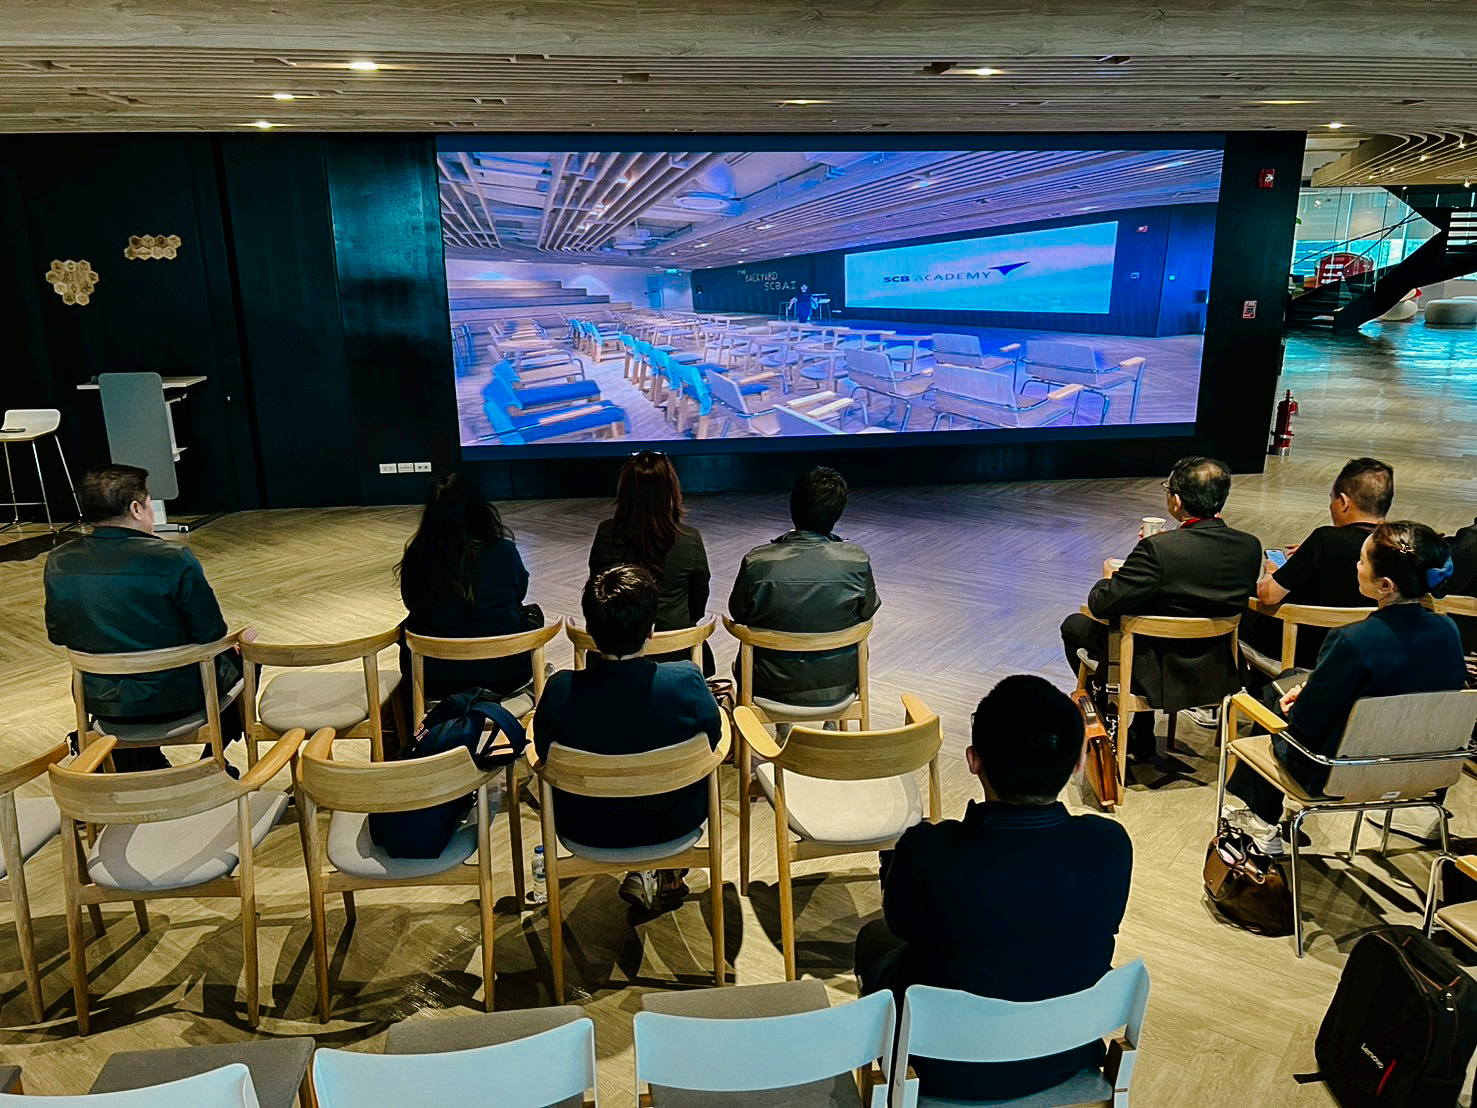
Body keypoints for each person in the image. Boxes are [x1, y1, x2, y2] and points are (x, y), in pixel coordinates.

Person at [855, 675, 1133, 1103]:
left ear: (973, 760)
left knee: (874, 937)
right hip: (1065, 1054)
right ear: (1078, 763)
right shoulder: (1110, 845)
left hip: (943, 1069)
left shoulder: (928, 852)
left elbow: (903, 923)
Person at [1224, 521, 1466, 855]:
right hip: (1419, 768)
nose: (1356, 565)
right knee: (1293, 677)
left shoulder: (1353, 640)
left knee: (1272, 696)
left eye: (1362, 561)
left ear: (1385, 585)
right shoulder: (1448, 630)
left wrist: (1299, 701)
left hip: (1337, 770)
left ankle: (1260, 821)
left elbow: (1306, 722)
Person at [533, 565, 723, 911]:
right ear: (652, 629)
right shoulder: (685, 682)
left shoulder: (560, 691)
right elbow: (714, 739)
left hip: (587, 827)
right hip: (675, 824)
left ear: (589, 630)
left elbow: (542, 754)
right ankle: (662, 873)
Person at [44, 465, 244, 772]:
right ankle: (211, 762)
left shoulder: (59, 560)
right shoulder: (174, 559)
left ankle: (142, 763)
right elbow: (211, 633)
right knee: (245, 655)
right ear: (137, 509)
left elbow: (58, 634)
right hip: (179, 697)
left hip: (101, 699)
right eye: (149, 503)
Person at [1059, 456, 1261, 760]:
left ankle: (1106, 720)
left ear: (1176, 501)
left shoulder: (1158, 549)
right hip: (1218, 665)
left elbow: (1102, 605)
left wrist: (1109, 576)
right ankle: (1141, 730)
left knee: (1074, 626)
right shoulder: (1250, 545)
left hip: (1154, 670)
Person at [728, 466, 880, 706]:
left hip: (767, 684)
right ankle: (832, 722)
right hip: (839, 684)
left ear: (793, 506)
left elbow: (739, 613)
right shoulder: (857, 561)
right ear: (838, 512)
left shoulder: (757, 562)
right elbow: (867, 611)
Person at [1242, 457, 1390, 668]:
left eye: (1332, 499)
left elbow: (1268, 596)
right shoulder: (1396, 545)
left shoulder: (1325, 540)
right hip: (1362, 649)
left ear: (1344, 502)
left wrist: (1271, 571)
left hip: (1301, 649)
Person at [397, 473, 532, 701]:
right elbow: (519, 595)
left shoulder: (417, 556)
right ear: (479, 510)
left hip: (433, 680)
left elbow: (412, 602)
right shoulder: (504, 551)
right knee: (529, 615)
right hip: (506, 675)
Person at [588, 450, 712, 672]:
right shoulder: (689, 539)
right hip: (677, 650)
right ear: (670, 491)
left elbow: (597, 593)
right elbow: (698, 600)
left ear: (625, 491)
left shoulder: (606, 534)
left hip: (614, 652)